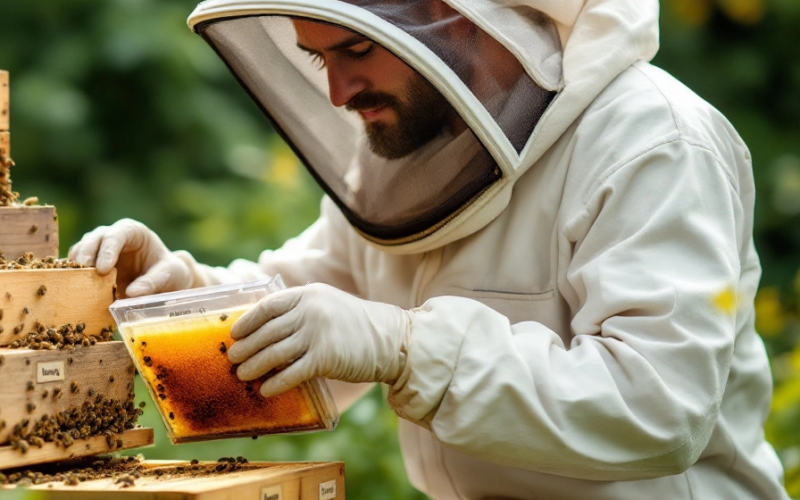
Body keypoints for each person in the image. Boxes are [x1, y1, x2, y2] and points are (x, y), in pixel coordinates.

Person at [69, 0, 789, 498]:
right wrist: (178, 292)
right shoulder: (396, 157)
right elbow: (306, 316)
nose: (340, 92)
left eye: (356, 50)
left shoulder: (652, 142)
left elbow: (659, 411)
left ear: (464, 19)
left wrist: (406, 348)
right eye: (320, 61)